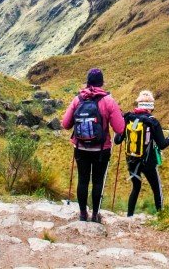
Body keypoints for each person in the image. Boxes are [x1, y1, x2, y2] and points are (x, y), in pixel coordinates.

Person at [61, 67, 125, 223]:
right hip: (101, 150)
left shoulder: (78, 100)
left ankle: (83, 214)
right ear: (102, 83)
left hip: (81, 148)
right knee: (97, 181)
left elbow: (65, 124)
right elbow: (120, 128)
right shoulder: (108, 101)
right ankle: (95, 215)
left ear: (88, 82)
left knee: (82, 180)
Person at [116, 90, 169, 217]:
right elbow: (162, 144)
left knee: (136, 187)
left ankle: (129, 216)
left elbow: (117, 140)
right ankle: (161, 216)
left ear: (138, 103)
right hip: (148, 162)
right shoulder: (152, 121)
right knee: (156, 188)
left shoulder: (128, 118)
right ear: (151, 106)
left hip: (132, 161)